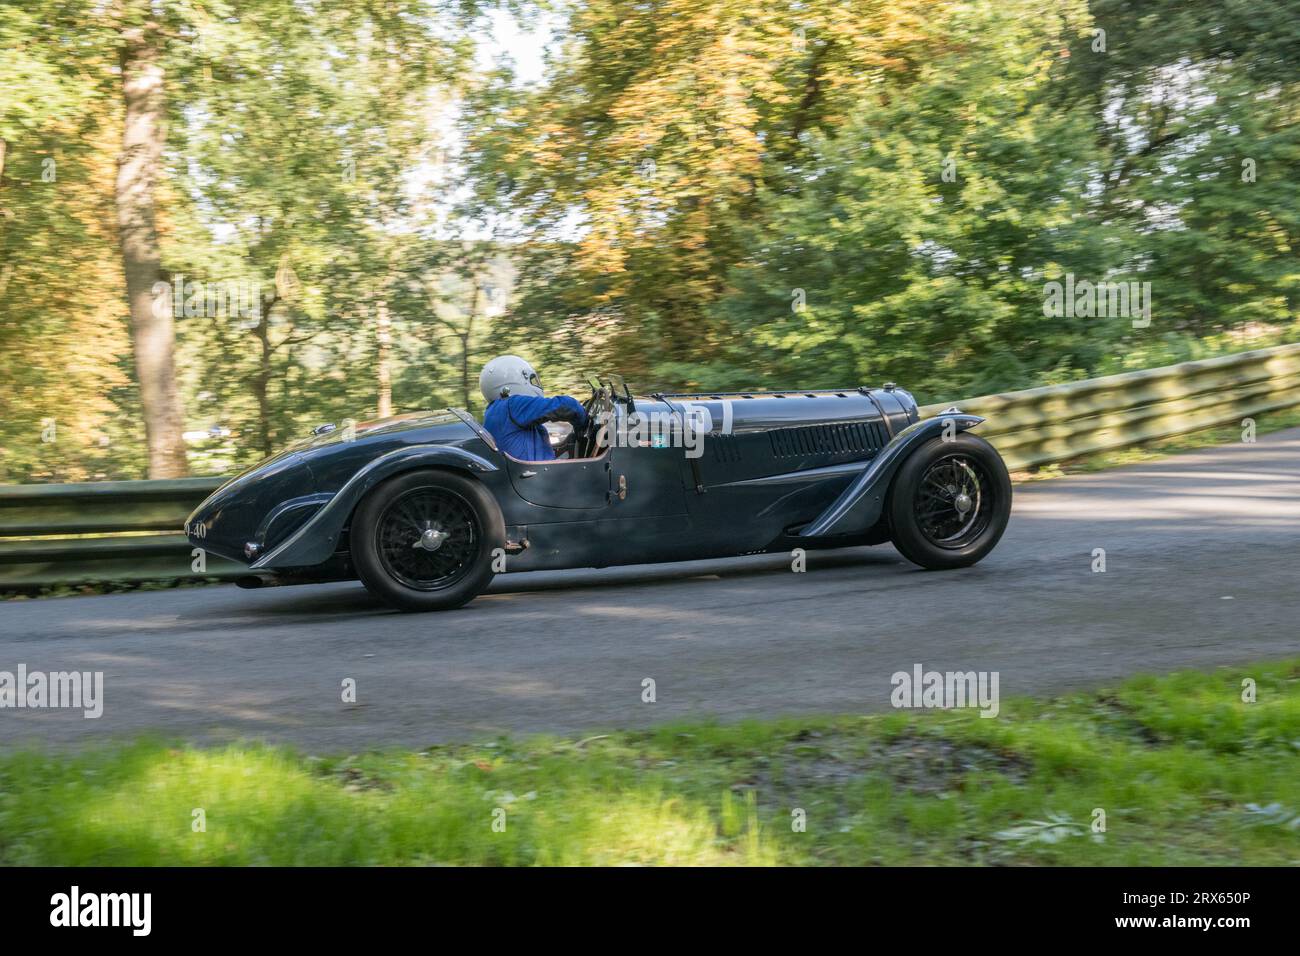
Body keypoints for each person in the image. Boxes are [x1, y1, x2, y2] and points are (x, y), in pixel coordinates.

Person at [479, 355, 589, 461]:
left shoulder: (493, 410)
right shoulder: (513, 405)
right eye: (531, 379)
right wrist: (584, 423)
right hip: (536, 476)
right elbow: (566, 406)